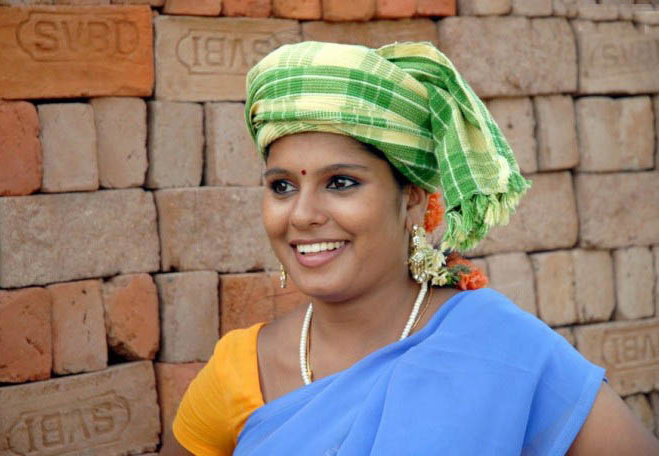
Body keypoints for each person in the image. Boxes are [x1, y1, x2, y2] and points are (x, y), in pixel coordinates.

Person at [164, 41, 659, 455]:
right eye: (282, 186)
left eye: (340, 182)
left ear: (412, 200)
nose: (302, 214)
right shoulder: (239, 369)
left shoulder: (503, 350)